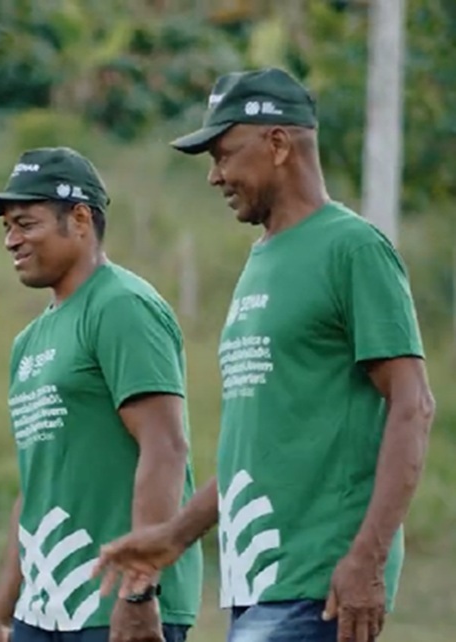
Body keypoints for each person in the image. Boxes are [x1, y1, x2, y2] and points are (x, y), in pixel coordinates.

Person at [93, 68, 436, 642]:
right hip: (255, 581)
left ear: (278, 144)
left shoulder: (352, 248)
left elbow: (413, 405)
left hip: (318, 581)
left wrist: (367, 561)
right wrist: (176, 535)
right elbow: (262, 447)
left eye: (224, 154)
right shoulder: (262, 260)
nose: (214, 176)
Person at [0, 146, 203, 642]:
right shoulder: (29, 341)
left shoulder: (123, 306)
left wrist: (138, 593)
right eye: (6, 227)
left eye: (25, 224)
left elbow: (165, 447)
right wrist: (0, 612)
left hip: (114, 610)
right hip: (44, 608)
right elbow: (35, 487)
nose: (11, 240)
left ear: (79, 219)